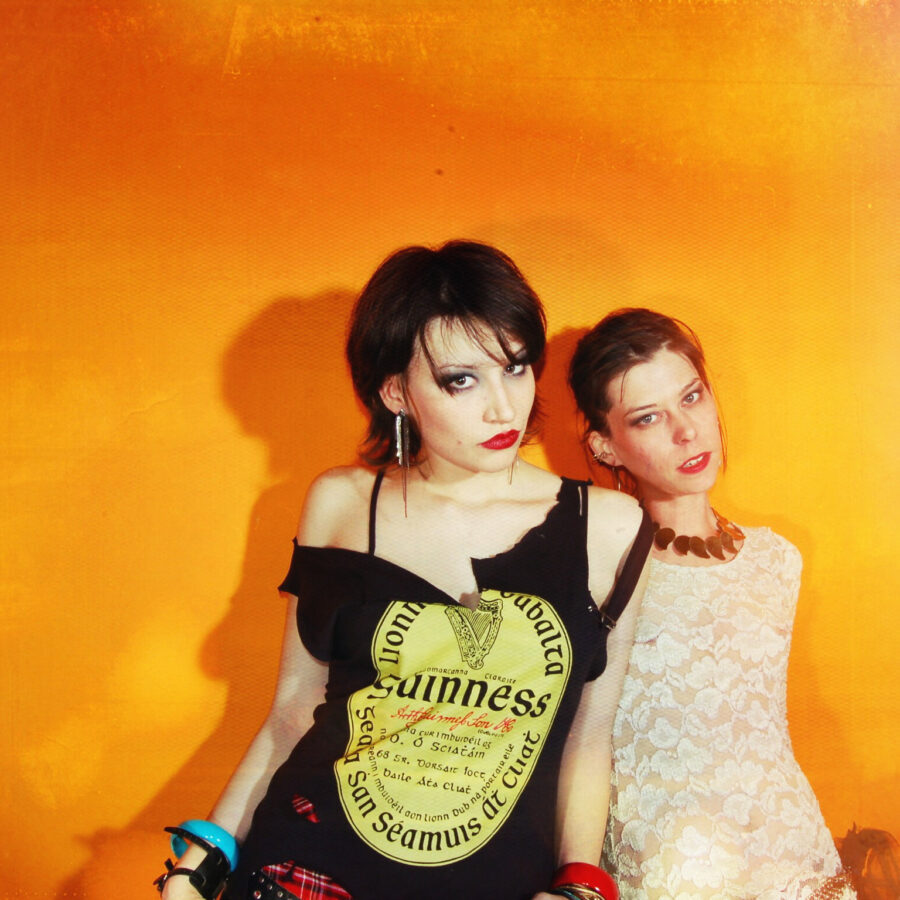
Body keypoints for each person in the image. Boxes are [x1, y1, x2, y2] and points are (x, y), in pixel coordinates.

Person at [158, 242, 652, 900]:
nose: (504, 407)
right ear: (395, 391)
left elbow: (589, 734)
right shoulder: (341, 503)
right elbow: (293, 712)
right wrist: (204, 861)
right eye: (461, 380)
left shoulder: (611, 527)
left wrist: (579, 885)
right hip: (308, 868)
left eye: (515, 366)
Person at [568, 308, 856, 900]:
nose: (687, 431)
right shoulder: (595, 574)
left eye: (692, 397)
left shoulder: (778, 560)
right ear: (606, 445)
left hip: (795, 865)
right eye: (648, 418)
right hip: (664, 877)